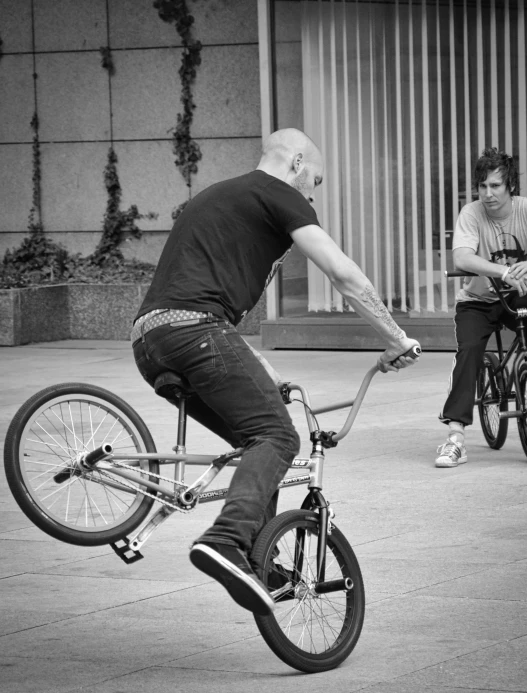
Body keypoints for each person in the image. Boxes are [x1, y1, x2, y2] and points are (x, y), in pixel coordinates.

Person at [132, 128, 421, 614]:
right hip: (194, 334)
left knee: (256, 445)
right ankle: (225, 541)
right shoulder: (279, 194)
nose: (312, 192)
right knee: (279, 438)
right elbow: (344, 275)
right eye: (317, 180)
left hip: (151, 342)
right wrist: (396, 337)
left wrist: (267, 374)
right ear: (297, 163)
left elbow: (207, 315)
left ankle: (253, 562)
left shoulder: (219, 196)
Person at [436, 147, 527, 468]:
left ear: (510, 186)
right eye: (482, 186)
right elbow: (462, 258)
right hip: (477, 302)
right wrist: (505, 271)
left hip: (516, 297)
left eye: (495, 186)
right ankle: (455, 438)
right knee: (468, 353)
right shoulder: (471, 213)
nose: (487, 193)